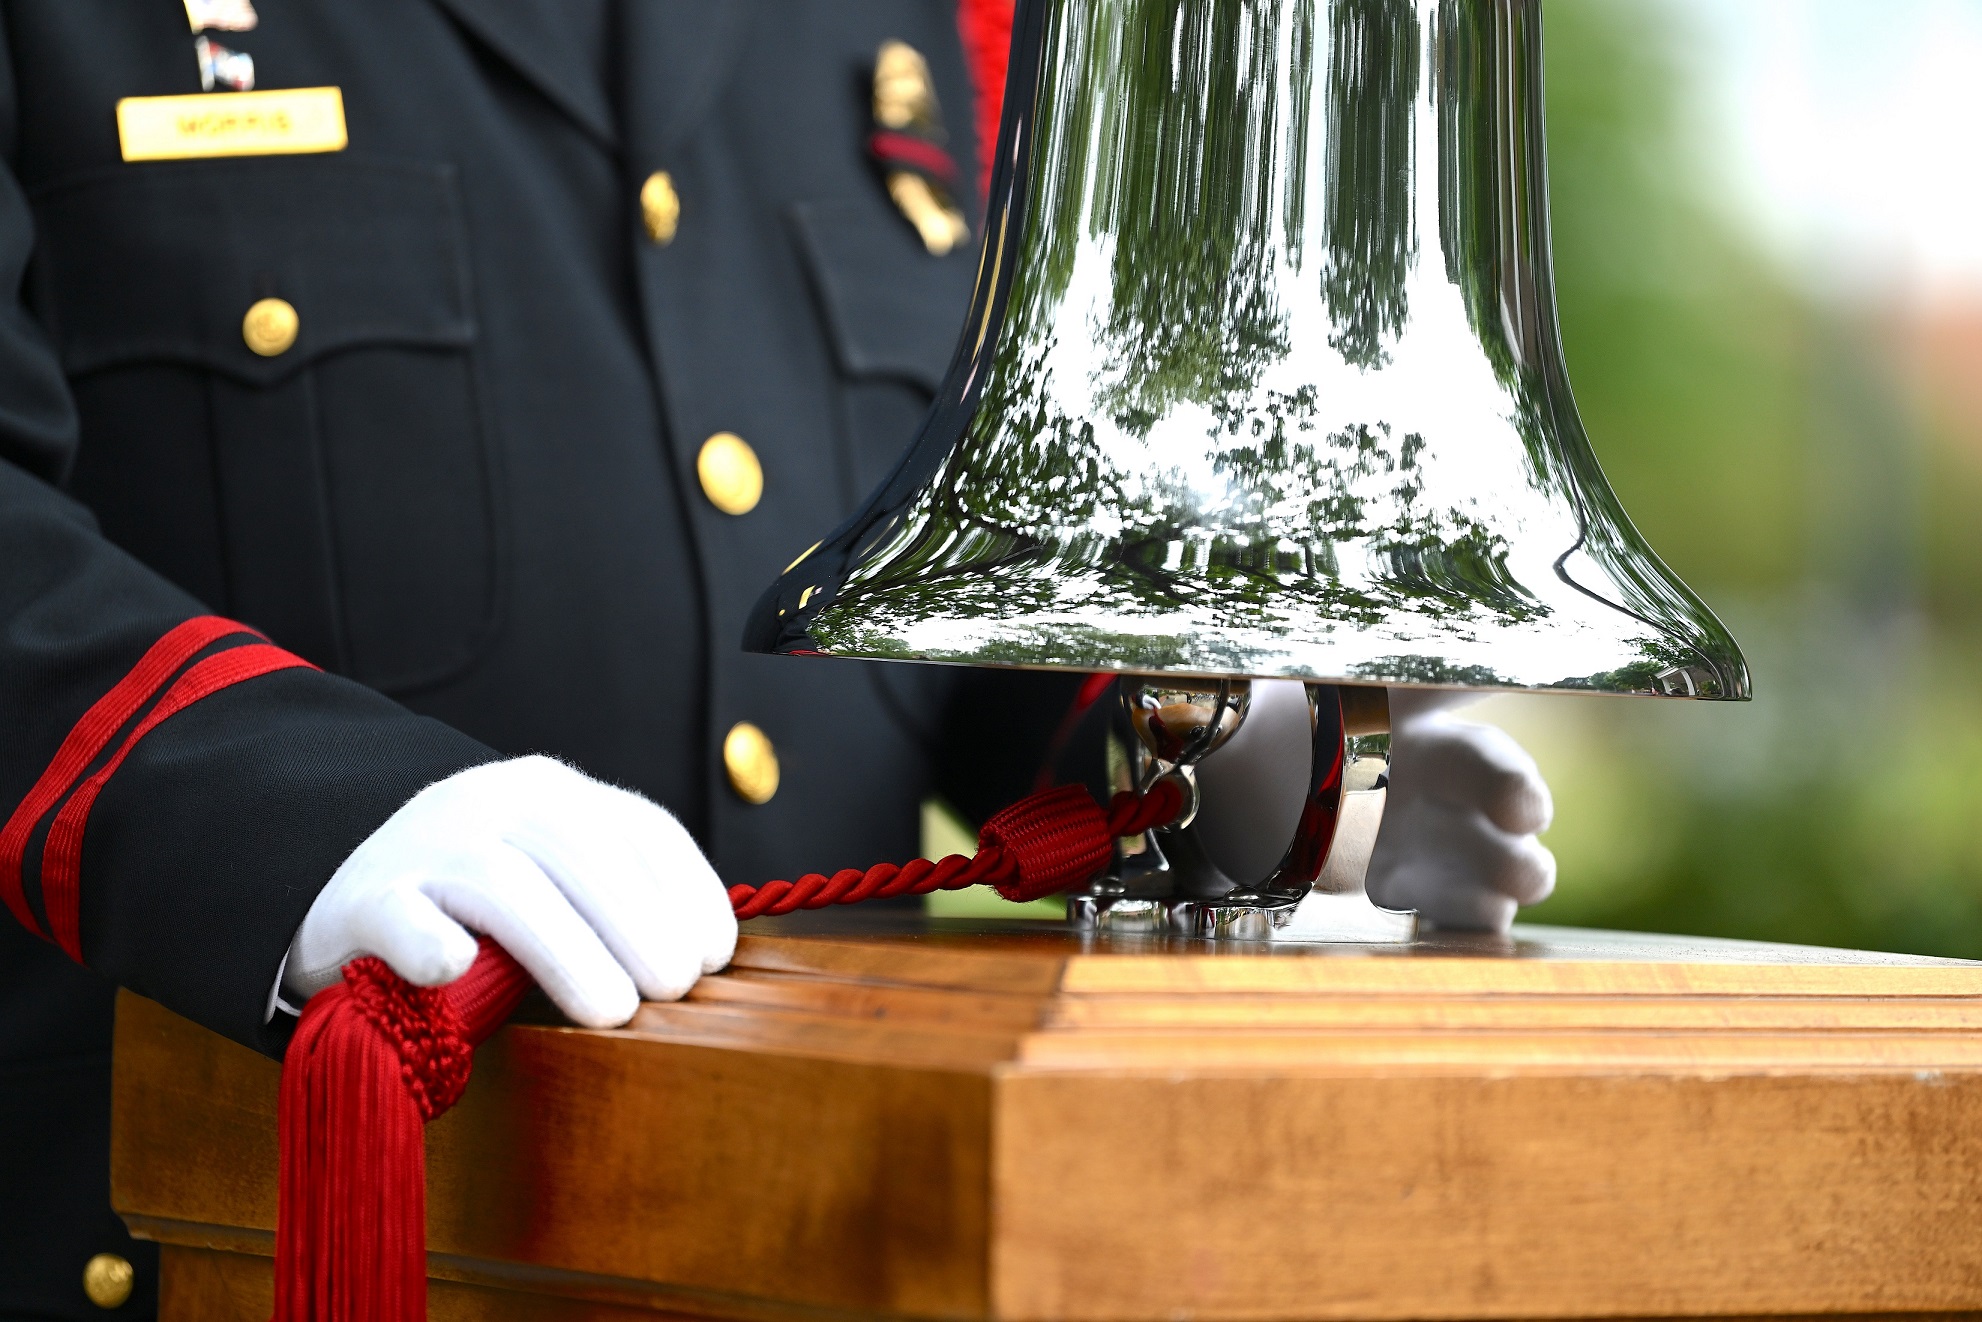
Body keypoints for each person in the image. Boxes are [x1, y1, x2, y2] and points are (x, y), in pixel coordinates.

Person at [0, 4, 1554, 1318]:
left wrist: (1259, 765)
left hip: (814, 1235)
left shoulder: (930, 23)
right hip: (213, 1218)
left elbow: (975, 572)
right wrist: (294, 812)